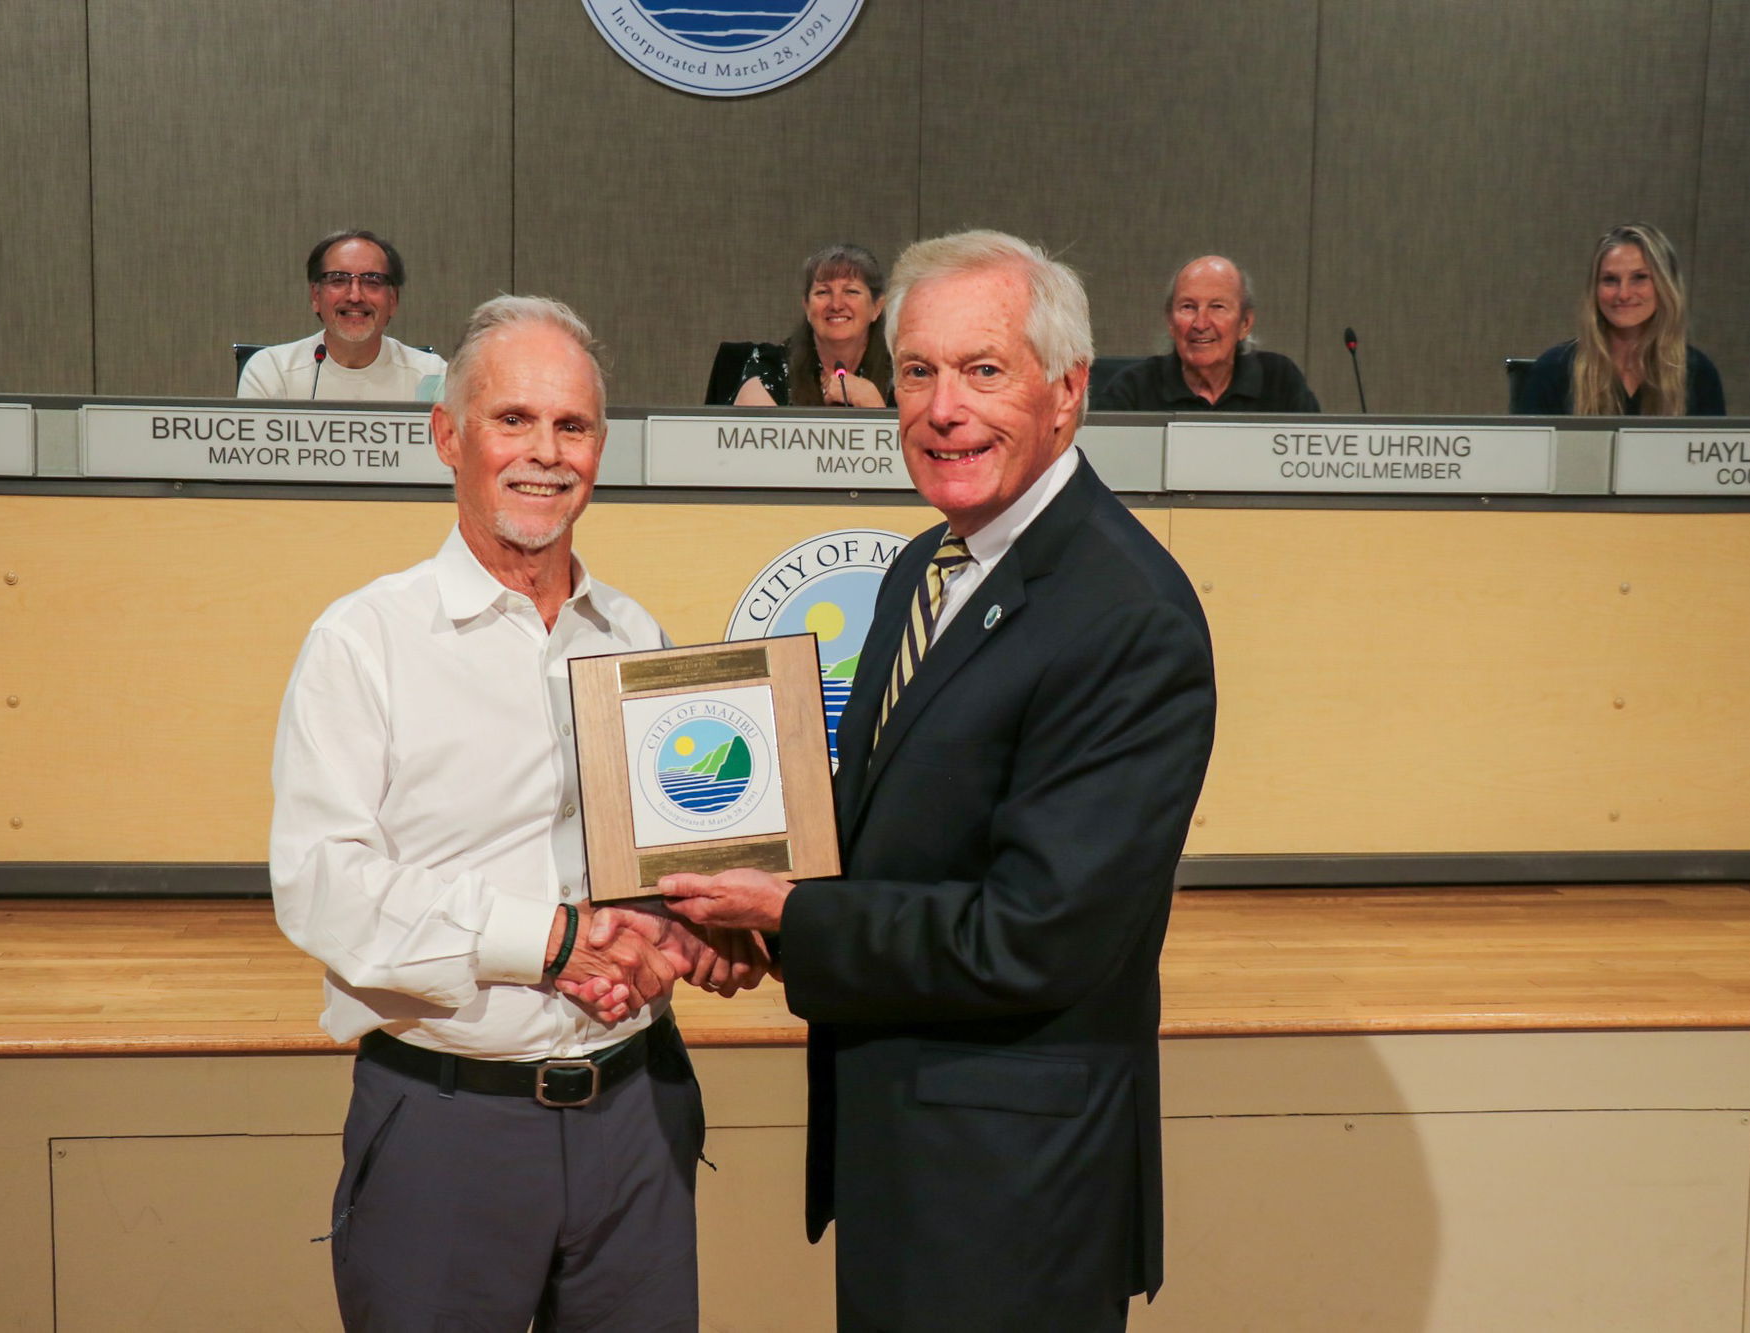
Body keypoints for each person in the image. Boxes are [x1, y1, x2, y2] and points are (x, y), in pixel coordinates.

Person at [662, 231, 1219, 1331]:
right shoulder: (925, 565)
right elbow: (882, 839)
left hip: (1015, 1193)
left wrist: (793, 918)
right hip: (905, 1158)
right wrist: (741, 906)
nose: (942, 408)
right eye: (916, 371)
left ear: (1066, 391)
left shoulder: (1127, 616)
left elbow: (1034, 933)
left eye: (983, 369)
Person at [270, 295, 762, 1331]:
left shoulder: (634, 633)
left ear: (599, 449)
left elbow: (655, 860)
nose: (545, 452)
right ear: (448, 436)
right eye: (514, 419)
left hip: (637, 1114)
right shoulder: (364, 642)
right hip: (449, 1126)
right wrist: (550, 940)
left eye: (572, 425)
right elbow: (323, 888)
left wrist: (695, 930)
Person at [1518, 222, 1725, 416]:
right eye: (1610, 280)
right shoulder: (1553, 370)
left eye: (1639, 278)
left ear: (1665, 285)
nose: (1623, 294)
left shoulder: (1698, 373)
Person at [238, 230, 448, 401]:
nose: (355, 296)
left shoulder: (431, 374)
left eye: (372, 281)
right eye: (338, 280)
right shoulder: (272, 371)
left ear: (393, 300)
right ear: (315, 296)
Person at [1093, 254, 1319, 412]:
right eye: (1188, 307)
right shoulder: (1134, 388)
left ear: (1245, 323)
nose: (1200, 324)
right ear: (1170, 321)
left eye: (1217, 307)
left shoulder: (1280, 381)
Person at [734, 243, 893, 408]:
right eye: (823, 292)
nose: (836, 305)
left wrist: (872, 405)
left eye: (851, 291)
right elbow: (756, 421)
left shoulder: (902, 371)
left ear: (877, 307)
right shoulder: (770, 365)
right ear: (807, 306)